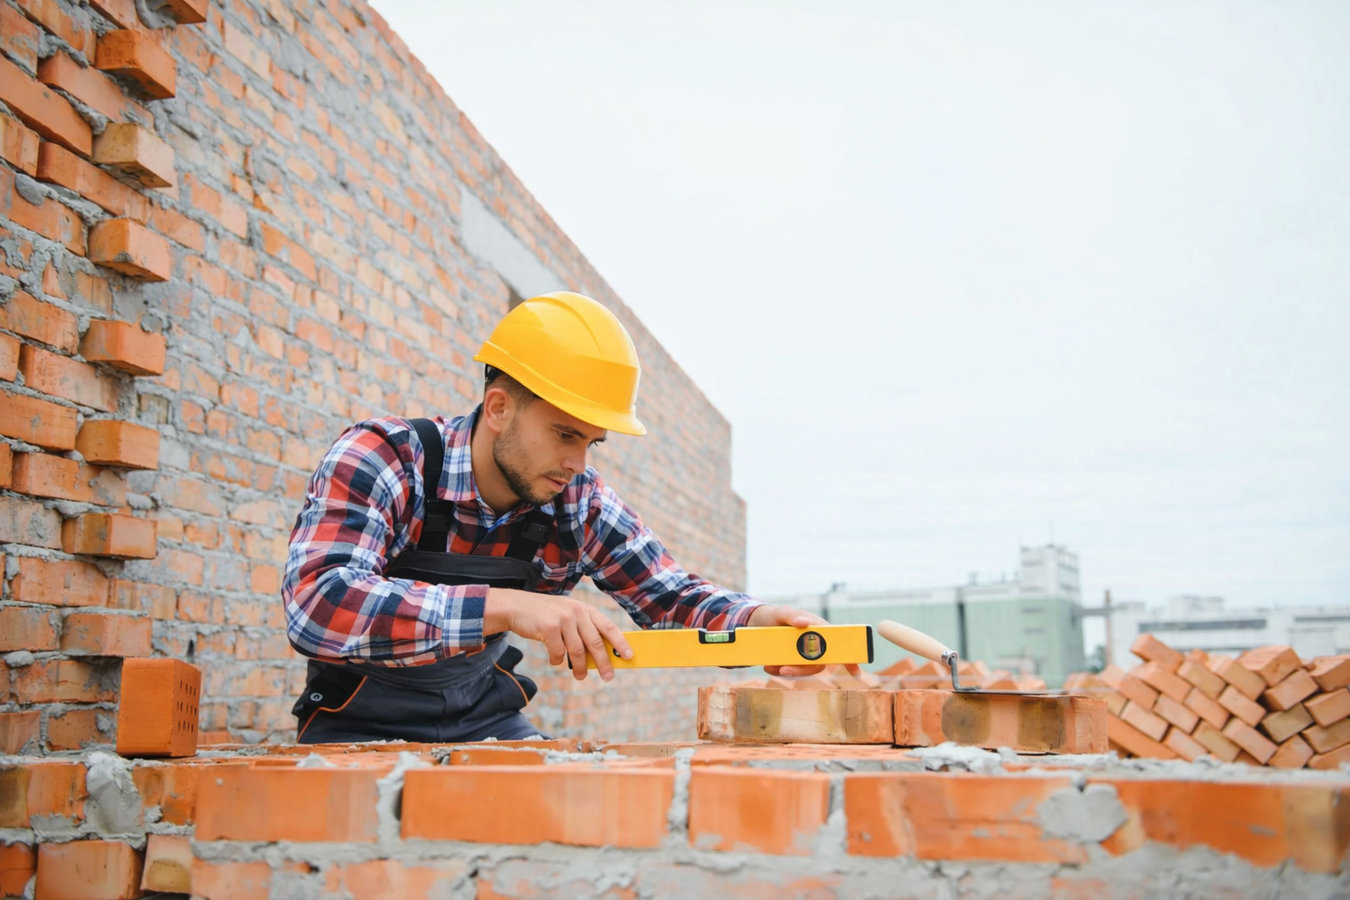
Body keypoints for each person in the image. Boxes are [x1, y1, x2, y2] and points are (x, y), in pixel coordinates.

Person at [282, 291, 837, 743]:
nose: (577, 463)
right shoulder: (385, 458)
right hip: (352, 726)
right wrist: (507, 607)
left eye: (592, 443)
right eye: (565, 434)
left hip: (488, 724)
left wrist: (762, 626)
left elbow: (671, 598)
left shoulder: (577, 501)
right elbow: (317, 604)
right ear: (499, 408)